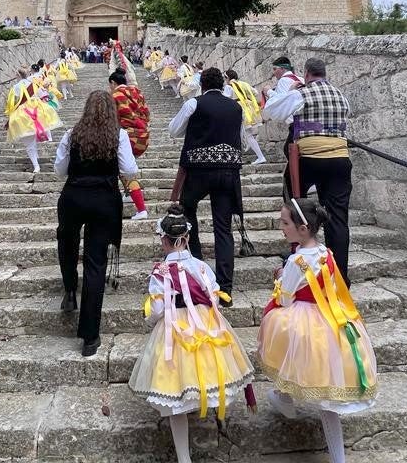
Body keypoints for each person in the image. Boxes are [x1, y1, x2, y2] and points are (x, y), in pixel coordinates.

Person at [128, 207, 256, 463]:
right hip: (206, 325)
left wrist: (150, 321)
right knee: (209, 369)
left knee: (175, 387)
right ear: (187, 237)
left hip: (175, 329)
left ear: (163, 239)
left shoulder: (160, 272)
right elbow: (215, 298)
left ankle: (184, 457)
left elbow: (157, 308)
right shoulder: (201, 267)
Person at [258, 196, 378, 463]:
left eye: (285, 222)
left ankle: (285, 399)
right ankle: (284, 399)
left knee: (291, 348)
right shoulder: (327, 253)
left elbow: (286, 298)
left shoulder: (296, 261)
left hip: (306, 322)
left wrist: (279, 279)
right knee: (319, 380)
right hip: (331, 318)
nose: (281, 226)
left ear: (302, 229)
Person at [56, 90, 139, 356]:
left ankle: (70, 289)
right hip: (104, 198)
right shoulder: (120, 135)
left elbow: (60, 169)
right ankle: (90, 337)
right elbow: (129, 170)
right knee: (96, 262)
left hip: (74, 195)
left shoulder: (72, 134)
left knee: (67, 243)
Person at [262, 57, 354, 285]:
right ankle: (340, 276)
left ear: (306, 73)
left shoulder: (301, 93)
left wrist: (290, 90)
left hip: (309, 158)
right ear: (324, 73)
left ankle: (300, 252)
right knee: (339, 218)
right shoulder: (341, 96)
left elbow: (272, 111)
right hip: (340, 158)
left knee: (294, 202)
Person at [168, 67, 244, 302]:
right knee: (223, 229)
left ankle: (199, 269)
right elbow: (240, 139)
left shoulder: (194, 104)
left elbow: (174, 131)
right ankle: (226, 288)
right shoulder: (236, 107)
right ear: (222, 85)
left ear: (202, 85)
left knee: (188, 214)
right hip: (226, 173)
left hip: (198, 172)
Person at [110, 69, 151, 220]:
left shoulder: (115, 95)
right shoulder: (137, 92)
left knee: (126, 171)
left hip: (127, 136)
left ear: (113, 83)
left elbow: (112, 117)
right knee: (122, 166)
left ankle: (141, 209)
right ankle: (128, 193)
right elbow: (146, 113)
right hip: (142, 135)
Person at [5, 67, 62, 174]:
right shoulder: (35, 83)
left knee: (28, 143)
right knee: (32, 140)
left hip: (23, 115)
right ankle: (39, 159)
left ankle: (36, 166)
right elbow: (43, 95)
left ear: (18, 75)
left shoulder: (15, 87)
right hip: (37, 110)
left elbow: (12, 103)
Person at [223, 69, 266, 165]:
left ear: (227, 77)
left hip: (238, 110)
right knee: (245, 133)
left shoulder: (228, 87)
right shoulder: (244, 83)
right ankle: (245, 149)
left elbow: (225, 99)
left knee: (246, 134)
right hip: (249, 109)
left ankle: (260, 156)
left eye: (225, 78)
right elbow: (255, 92)